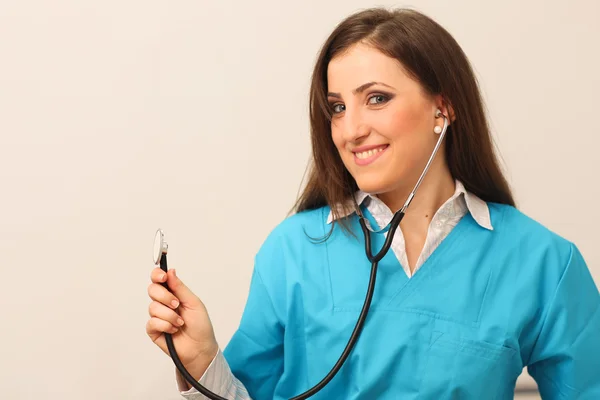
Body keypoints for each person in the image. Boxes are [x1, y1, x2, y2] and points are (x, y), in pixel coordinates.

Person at [145, 7, 600, 399]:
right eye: (337, 107)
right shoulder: (293, 251)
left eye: (376, 99)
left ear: (443, 108)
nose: (350, 129)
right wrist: (202, 358)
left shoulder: (543, 263)